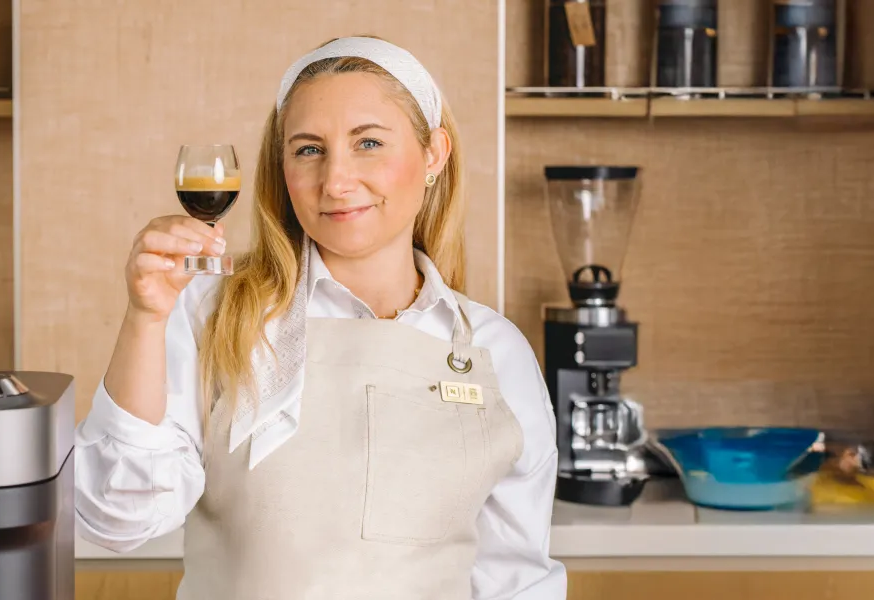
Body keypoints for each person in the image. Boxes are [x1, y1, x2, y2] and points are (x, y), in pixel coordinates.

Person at [75, 36, 567, 600]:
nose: (335, 181)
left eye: (369, 143)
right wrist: (145, 317)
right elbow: (114, 519)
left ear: (434, 154)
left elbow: (517, 582)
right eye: (309, 149)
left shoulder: (495, 352)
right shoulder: (213, 315)